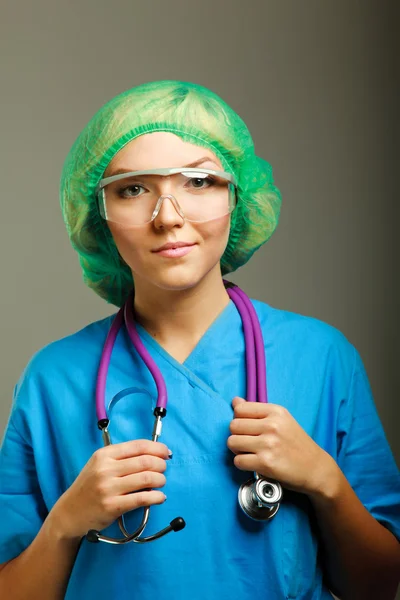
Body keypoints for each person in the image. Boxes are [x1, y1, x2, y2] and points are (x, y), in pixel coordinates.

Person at [0, 80, 399, 600]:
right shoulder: (55, 378)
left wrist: (326, 482)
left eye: (199, 181)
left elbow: (379, 584)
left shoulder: (322, 358)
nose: (168, 218)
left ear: (237, 196)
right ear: (98, 213)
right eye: (133, 188)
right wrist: (65, 523)